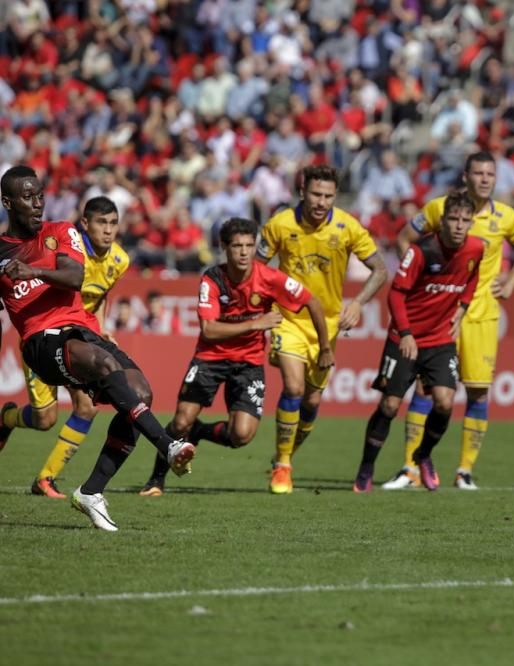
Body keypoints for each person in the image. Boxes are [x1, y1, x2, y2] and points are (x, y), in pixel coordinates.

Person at [0, 165, 194, 531]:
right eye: (28, 197)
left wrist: (31, 271)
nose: (38, 203)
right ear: (8, 202)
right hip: (39, 341)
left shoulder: (60, 231)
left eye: (40, 194)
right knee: (67, 399)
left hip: (82, 329)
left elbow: (75, 276)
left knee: (140, 393)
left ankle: (91, 491)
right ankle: (167, 445)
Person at [137, 217, 332, 495]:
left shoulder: (269, 278)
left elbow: (311, 301)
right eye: (237, 246)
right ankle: (156, 479)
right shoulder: (213, 279)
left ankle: (200, 433)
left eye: (249, 246)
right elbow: (209, 329)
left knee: (241, 436)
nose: (244, 252)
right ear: (224, 248)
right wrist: (255, 323)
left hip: (249, 363)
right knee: (180, 421)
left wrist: (325, 347)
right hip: (210, 357)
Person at [385, 151, 514, 490]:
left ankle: (464, 471)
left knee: (478, 392)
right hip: (440, 315)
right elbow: (404, 238)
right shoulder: (441, 209)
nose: (484, 179)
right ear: (465, 176)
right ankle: (410, 469)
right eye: (478, 173)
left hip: (480, 315)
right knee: (424, 387)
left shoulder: (507, 217)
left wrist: (510, 283)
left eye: (490, 174)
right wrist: (417, 278)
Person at [257, 164, 387, 494]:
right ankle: (284, 467)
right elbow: (256, 270)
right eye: (316, 194)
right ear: (302, 191)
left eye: (328, 196)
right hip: (289, 318)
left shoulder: (347, 226)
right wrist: (261, 311)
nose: (322, 202)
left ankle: (282, 457)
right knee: (294, 387)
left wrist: (357, 303)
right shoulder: (280, 224)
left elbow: (380, 269)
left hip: (326, 325)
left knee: (312, 403)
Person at [353, 191, 483, 492]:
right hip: (404, 337)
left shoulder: (476, 248)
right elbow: (396, 294)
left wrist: (462, 307)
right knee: (390, 405)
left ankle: (422, 454)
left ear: (471, 222)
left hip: (440, 339)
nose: (459, 225)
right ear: (442, 220)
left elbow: (473, 278)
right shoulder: (421, 250)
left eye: (465, 220)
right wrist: (407, 333)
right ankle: (367, 465)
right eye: (453, 218)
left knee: (445, 401)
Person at [19, 196, 131, 499]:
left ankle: (46, 478)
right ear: (85, 224)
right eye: (101, 223)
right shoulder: (66, 250)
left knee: (87, 407)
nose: (108, 230)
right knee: (44, 419)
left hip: (80, 339)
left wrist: (103, 326)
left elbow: (101, 295)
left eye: (113, 223)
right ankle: (7, 420)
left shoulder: (120, 260)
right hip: (46, 337)